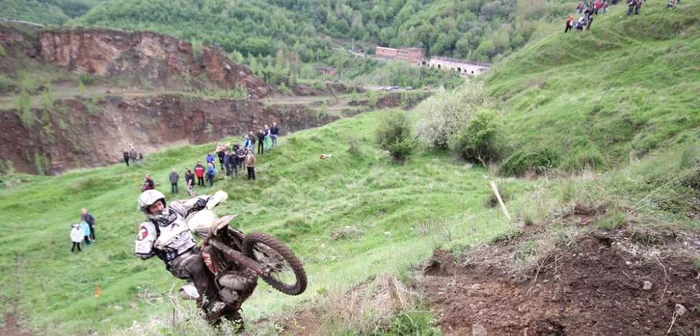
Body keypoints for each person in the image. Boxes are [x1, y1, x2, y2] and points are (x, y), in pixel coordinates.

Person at [134, 189, 242, 324]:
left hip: (193, 249)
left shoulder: (175, 208)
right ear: (147, 211)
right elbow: (141, 252)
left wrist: (212, 199)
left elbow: (195, 202)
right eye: (154, 207)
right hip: (177, 261)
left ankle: (239, 276)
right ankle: (211, 303)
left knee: (215, 248)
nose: (159, 208)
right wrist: (157, 244)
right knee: (197, 262)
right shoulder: (148, 227)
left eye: (159, 204)